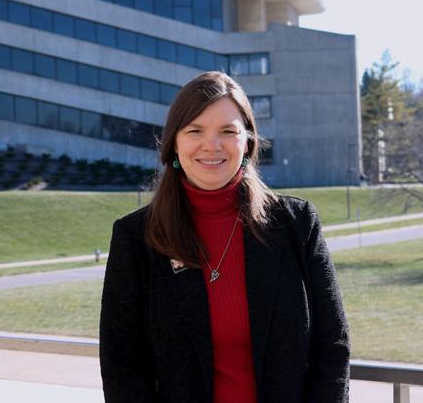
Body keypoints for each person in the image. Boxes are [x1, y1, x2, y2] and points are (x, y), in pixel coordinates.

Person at [100, 71, 350, 403]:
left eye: (228, 131)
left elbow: (332, 347)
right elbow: (122, 367)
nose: (212, 145)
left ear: (247, 142)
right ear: (175, 142)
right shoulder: (136, 238)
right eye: (195, 131)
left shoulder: (296, 224)